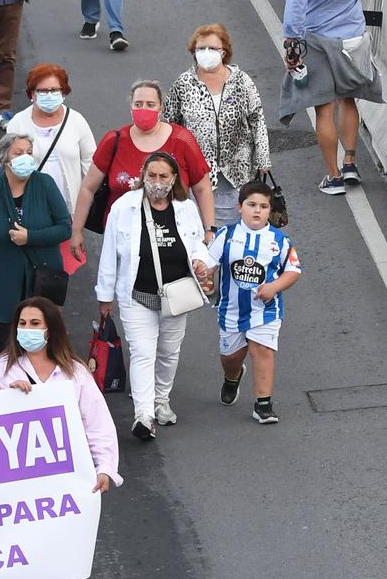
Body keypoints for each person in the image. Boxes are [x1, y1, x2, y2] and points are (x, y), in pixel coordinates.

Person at [0, 297, 120, 579]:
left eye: (35, 323)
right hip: (18, 480)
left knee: (66, 549)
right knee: (28, 547)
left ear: (50, 328)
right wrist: (7, 399)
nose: (27, 330)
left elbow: (97, 423)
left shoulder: (73, 373)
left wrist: (105, 468)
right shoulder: (2, 369)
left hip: (67, 478)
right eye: (22, 323)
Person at [96, 150, 211, 440]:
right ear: (143, 176)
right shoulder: (124, 207)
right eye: (152, 175)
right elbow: (110, 254)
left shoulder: (185, 207)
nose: (157, 182)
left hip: (176, 295)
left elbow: (197, 244)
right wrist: (104, 295)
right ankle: (144, 415)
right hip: (137, 295)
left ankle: (162, 400)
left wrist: (200, 262)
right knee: (142, 353)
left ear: (174, 179)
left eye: (163, 176)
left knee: (169, 352)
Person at [280, 0, 380, 195]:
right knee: (348, 100)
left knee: (323, 109)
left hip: (319, 38)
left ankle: (334, 176)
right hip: (353, 37)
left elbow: (297, 0)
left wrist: (291, 42)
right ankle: (351, 162)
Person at [0, 130, 72, 359]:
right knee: (2, 346)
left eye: (29, 152)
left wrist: (31, 237)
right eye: (19, 152)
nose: (26, 157)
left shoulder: (45, 184)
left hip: (41, 282)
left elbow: (64, 227)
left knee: (42, 344)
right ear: (4, 158)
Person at [70, 80, 214, 260]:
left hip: (173, 238)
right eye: (138, 104)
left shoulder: (182, 140)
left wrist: (209, 230)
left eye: (150, 104)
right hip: (122, 239)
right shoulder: (114, 141)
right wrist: (77, 231)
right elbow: (88, 188)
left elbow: (202, 187)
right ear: (131, 108)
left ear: (161, 108)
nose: (144, 109)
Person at [203, 178, 302, 425]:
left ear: (270, 210)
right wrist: (206, 279)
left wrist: (274, 287)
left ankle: (263, 405)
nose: (257, 210)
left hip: (266, 310)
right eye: (251, 204)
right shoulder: (226, 236)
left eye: (263, 206)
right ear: (240, 207)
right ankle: (232, 377)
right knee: (231, 357)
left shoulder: (279, 241)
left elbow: (293, 270)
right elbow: (208, 264)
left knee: (263, 350)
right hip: (231, 310)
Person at [163, 24, 271, 228]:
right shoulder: (183, 84)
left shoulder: (241, 81)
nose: (206, 53)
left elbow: (257, 120)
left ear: (224, 51)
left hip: (238, 170)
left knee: (236, 227)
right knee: (203, 227)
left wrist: (263, 158)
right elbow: (169, 125)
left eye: (212, 48)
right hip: (198, 171)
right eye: (201, 48)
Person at [3, 63, 98, 221]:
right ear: (32, 94)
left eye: (54, 90)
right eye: (43, 91)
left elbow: (91, 163)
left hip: (70, 213)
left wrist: (88, 201)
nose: (49, 95)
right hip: (30, 210)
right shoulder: (17, 123)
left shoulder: (76, 121)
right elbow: (8, 165)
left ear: (63, 93)